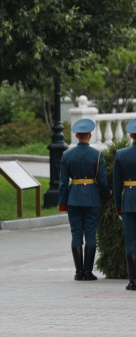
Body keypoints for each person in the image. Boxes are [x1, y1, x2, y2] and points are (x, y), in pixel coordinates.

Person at [59, 118, 111, 281]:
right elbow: (102, 179)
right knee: (90, 234)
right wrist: (107, 193)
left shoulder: (67, 155)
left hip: (73, 198)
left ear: (77, 137)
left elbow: (62, 183)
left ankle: (78, 272)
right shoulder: (97, 155)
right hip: (91, 199)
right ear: (89, 135)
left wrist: (62, 203)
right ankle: (87, 272)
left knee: (75, 234)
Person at [113, 119, 136, 290]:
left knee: (130, 241)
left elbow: (116, 185)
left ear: (130, 135)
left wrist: (118, 206)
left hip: (128, 201)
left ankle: (133, 280)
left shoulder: (121, 155)